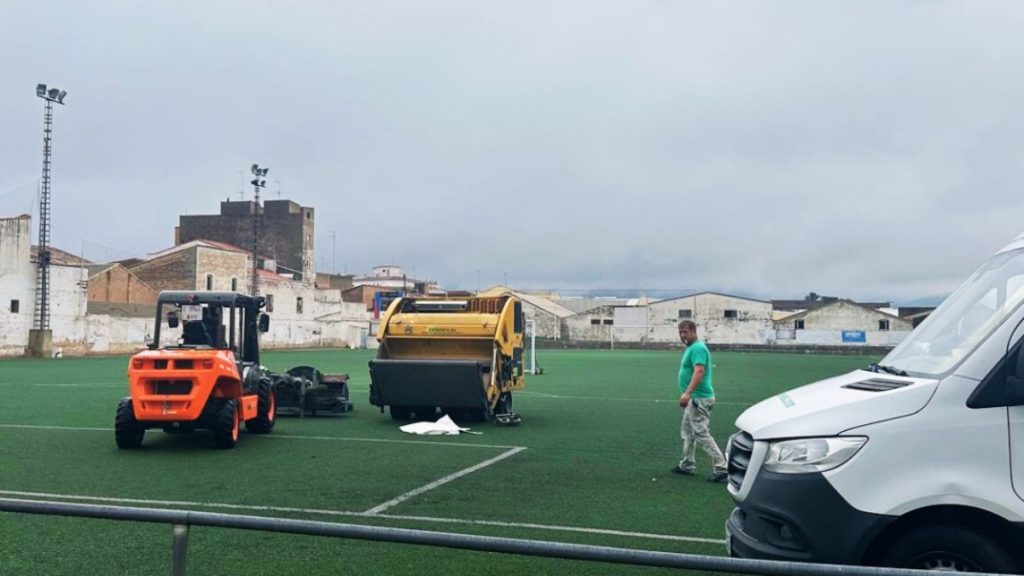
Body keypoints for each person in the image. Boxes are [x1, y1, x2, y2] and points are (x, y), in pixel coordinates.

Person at [671, 320, 728, 483]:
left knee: (700, 432)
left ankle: (722, 466)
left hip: (698, 398)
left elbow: (699, 370)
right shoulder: (692, 348)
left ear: (694, 332)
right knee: (688, 432)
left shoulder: (697, 348)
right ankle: (687, 464)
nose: (683, 335)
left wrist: (688, 393)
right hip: (694, 399)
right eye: (680, 332)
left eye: (685, 332)